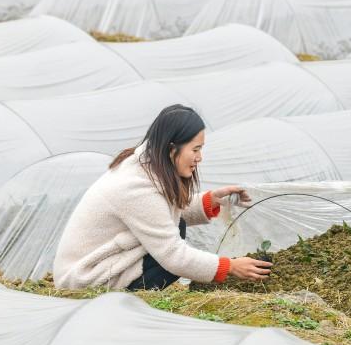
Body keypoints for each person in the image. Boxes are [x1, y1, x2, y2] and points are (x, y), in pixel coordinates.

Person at [54, 104, 272, 291]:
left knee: (178, 227)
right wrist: (230, 267)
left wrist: (212, 200)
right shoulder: (135, 187)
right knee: (171, 251)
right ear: (171, 149)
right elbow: (173, 255)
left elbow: (158, 211)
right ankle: (129, 300)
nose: (199, 157)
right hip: (84, 278)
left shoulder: (145, 164)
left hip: (99, 265)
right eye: (195, 149)